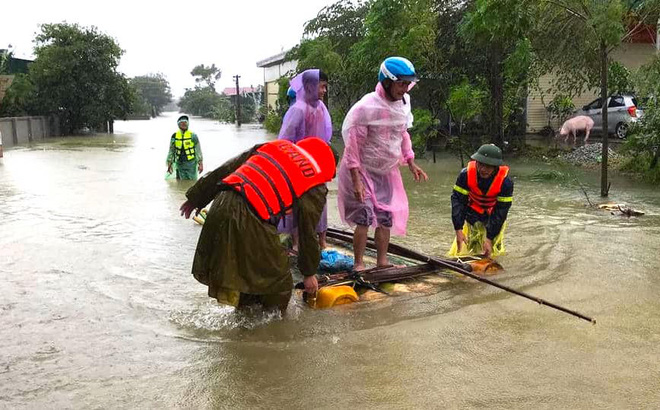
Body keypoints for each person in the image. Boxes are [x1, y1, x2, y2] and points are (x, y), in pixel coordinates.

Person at [179, 137, 337, 312]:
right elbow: (307, 231)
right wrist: (309, 273)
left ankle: (244, 324)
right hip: (250, 216)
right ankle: (271, 332)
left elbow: (227, 168)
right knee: (280, 284)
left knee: (247, 275)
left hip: (220, 204)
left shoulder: (274, 146)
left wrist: (196, 197)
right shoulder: (315, 182)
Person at [337, 57, 428, 271]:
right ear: (387, 81)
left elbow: (402, 135)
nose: (404, 89)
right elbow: (353, 147)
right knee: (365, 216)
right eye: (401, 84)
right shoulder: (366, 108)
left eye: (407, 84)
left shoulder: (402, 105)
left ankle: (382, 262)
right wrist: (356, 180)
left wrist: (411, 161)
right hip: (362, 170)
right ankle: (358, 264)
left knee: (386, 217)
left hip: (386, 171)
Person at [277, 69, 332, 250]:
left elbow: (326, 136)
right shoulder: (298, 110)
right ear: (309, 86)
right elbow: (284, 141)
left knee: (321, 203)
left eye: (325, 87)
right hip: (298, 165)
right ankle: (296, 243)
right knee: (297, 205)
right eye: (322, 86)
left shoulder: (321, 108)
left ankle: (322, 242)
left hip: (318, 165)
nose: (324, 90)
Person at [448, 144, 514, 258]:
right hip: (472, 213)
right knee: (471, 245)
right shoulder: (465, 175)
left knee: (492, 250)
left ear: (495, 167)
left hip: (492, 216)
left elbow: (501, 211)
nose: (483, 170)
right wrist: (458, 229)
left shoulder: (506, 183)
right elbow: (458, 201)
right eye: (481, 164)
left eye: (488, 166)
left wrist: (489, 238)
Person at [166, 115, 203, 180]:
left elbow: (198, 150)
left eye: (185, 123)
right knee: (180, 181)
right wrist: (169, 163)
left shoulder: (193, 136)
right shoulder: (174, 136)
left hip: (191, 164)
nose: (184, 124)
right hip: (179, 163)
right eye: (182, 123)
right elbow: (171, 150)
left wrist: (200, 164)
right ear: (178, 125)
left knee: (191, 182)